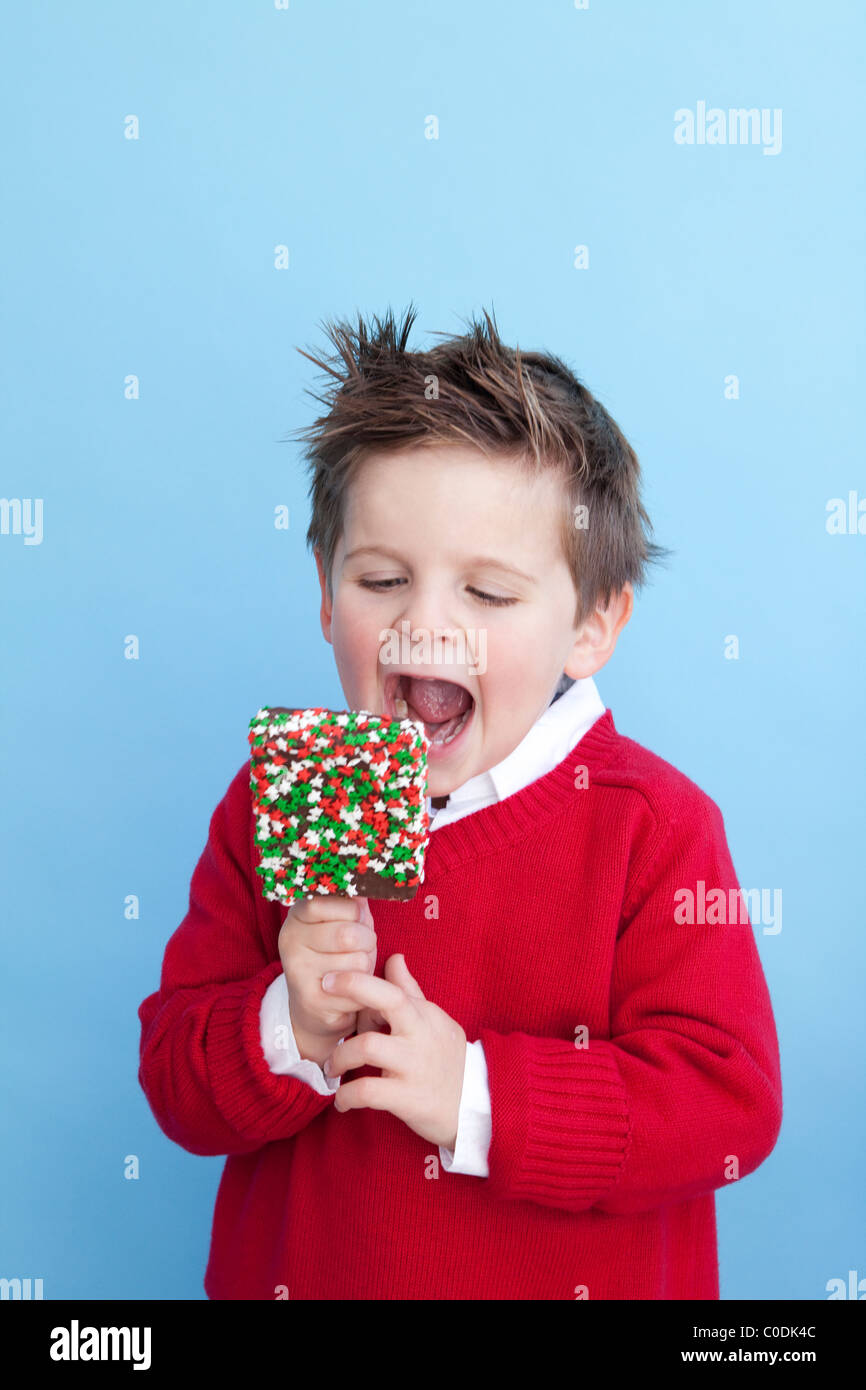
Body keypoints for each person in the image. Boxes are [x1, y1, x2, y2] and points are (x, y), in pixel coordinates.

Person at [138, 305, 782, 1299]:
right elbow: (177, 1087)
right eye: (383, 578)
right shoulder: (276, 800)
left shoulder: (652, 826)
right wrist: (288, 1023)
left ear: (591, 624)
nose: (425, 627)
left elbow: (725, 1103)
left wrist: (475, 1095)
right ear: (324, 589)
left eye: (487, 594)